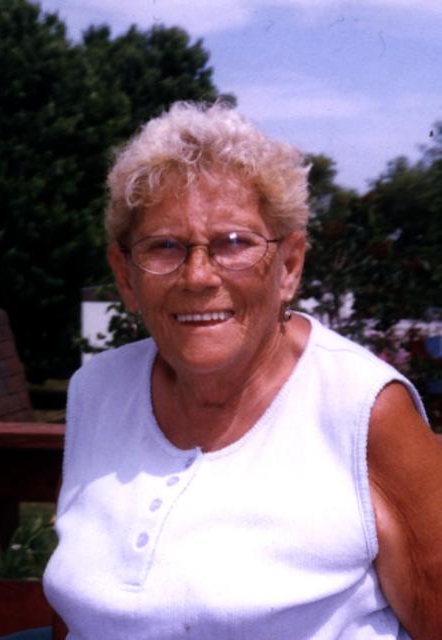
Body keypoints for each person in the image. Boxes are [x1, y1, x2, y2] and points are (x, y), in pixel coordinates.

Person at [43, 102, 442, 640]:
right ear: (124, 274)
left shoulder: (364, 406)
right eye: (165, 246)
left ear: (290, 265)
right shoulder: (97, 390)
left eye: (234, 243)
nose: (198, 275)